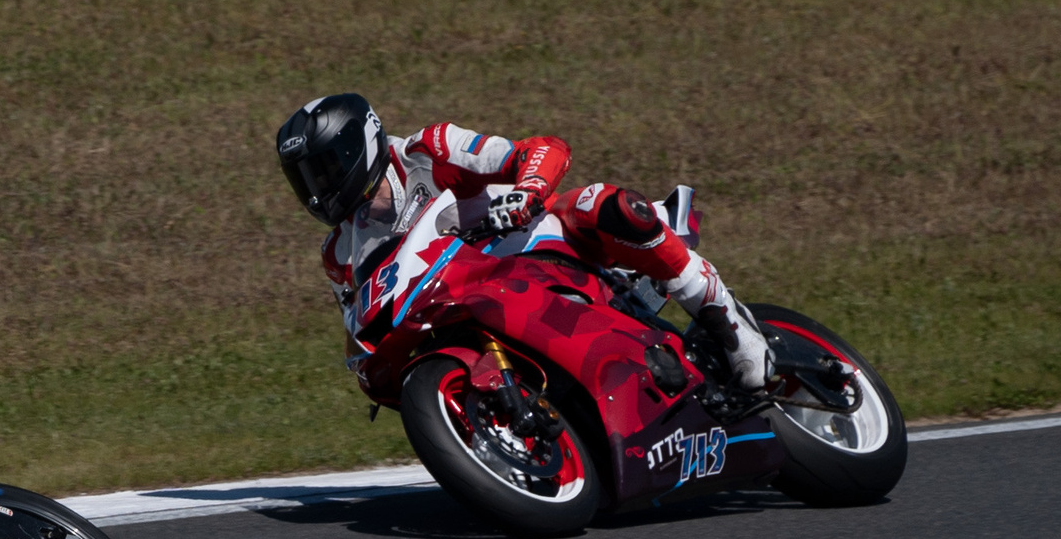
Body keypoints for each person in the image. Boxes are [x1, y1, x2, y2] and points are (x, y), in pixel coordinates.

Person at [273, 93, 772, 389]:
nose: (317, 188)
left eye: (325, 168)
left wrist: (528, 193)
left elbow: (540, 150)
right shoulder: (339, 254)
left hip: (536, 250)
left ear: (359, 144)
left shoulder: (432, 149)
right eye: (305, 178)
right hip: (465, 307)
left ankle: (730, 325)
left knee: (603, 204)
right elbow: (361, 327)